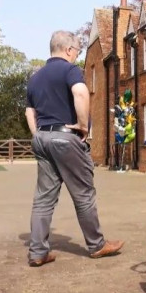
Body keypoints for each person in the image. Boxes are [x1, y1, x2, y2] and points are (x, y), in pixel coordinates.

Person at [24, 30, 123, 267]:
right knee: (84, 194)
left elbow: (29, 111)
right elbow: (80, 92)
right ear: (68, 50)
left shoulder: (35, 77)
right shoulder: (70, 70)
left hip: (42, 138)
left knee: (43, 199)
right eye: (77, 51)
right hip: (65, 138)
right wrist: (81, 124)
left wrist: (37, 134)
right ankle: (97, 245)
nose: (76, 56)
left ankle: (37, 252)